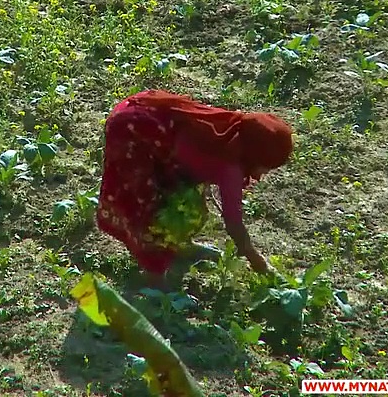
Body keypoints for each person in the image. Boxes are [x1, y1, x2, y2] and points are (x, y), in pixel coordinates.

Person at [96, 89, 294, 288]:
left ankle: (180, 247)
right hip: (132, 132)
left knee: (186, 201)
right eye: (267, 164)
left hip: (141, 114)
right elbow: (234, 223)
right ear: (256, 154)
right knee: (151, 209)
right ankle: (153, 277)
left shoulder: (229, 128)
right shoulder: (230, 167)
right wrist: (260, 263)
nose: (266, 171)